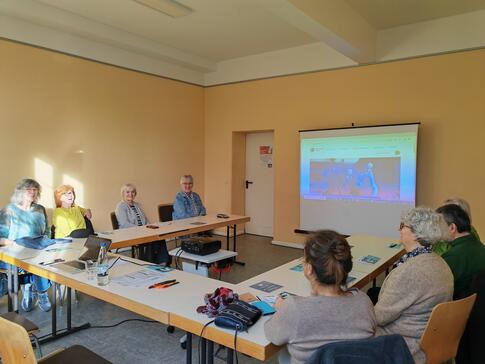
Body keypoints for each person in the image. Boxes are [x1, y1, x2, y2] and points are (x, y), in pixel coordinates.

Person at [264, 230, 376, 364]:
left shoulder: (295, 309)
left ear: (309, 269)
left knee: (284, 354)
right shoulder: (364, 301)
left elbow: (273, 335)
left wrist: (282, 309)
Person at [374, 207, 453, 364]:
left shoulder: (410, 271)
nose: (399, 229)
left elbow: (379, 317)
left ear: (417, 234)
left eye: (403, 226)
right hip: (431, 341)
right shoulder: (440, 263)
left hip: (405, 346)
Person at [0, 178, 52, 312]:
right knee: (32, 261)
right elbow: (1, 236)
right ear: (20, 192)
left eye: (35, 190)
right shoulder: (9, 210)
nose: (32, 192)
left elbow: (46, 230)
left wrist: (46, 241)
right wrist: (11, 243)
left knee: (42, 259)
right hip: (16, 251)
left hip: (37, 248)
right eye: (28, 189)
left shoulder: (40, 209)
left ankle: (41, 292)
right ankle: (28, 288)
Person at [436, 203, 485, 300]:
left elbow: (437, 291)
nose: (436, 231)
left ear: (452, 228)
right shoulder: (481, 247)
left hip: (457, 310)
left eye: (439, 226)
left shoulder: (452, 257)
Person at [115, 184, 170, 265]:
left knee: (159, 237)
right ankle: (149, 263)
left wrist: (150, 227)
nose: (130, 194)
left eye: (133, 192)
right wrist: (141, 229)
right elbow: (124, 224)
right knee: (150, 240)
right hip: (129, 233)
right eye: (128, 192)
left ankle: (163, 263)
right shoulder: (121, 206)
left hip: (142, 231)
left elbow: (145, 219)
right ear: (123, 193)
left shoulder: (137, 205)